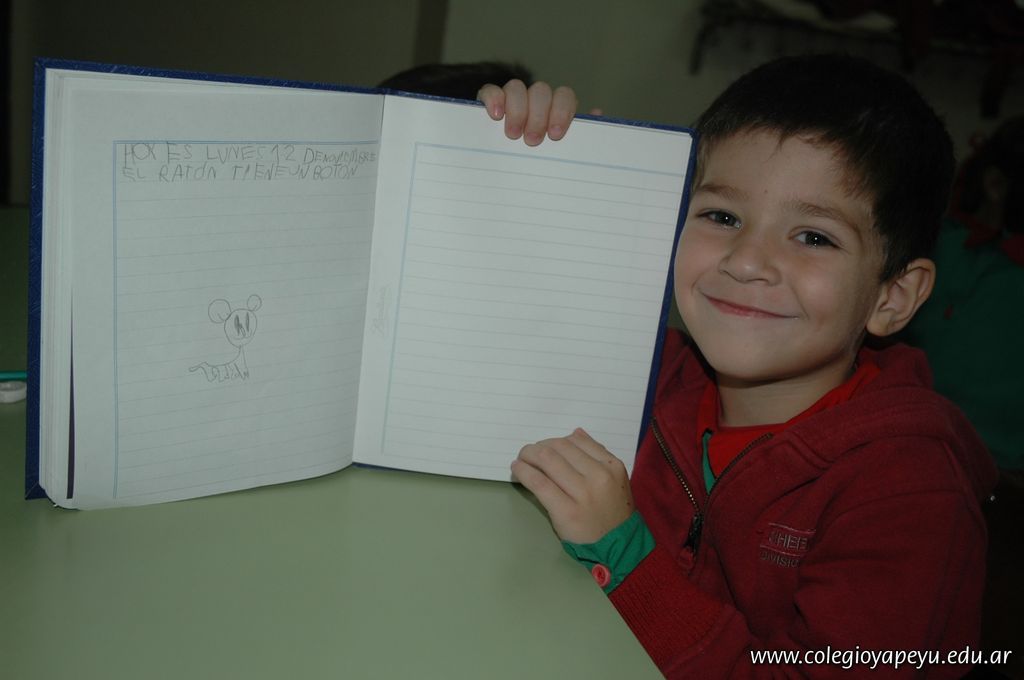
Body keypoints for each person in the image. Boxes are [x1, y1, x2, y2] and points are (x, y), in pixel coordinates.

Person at [479, 55, 999, 677]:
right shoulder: (647, 372)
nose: (747, 261)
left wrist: (623, 554)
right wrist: (538, 164)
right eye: (722, 217)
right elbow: (491, 333)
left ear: (892, 297)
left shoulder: (910, 492)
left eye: (814, 237)